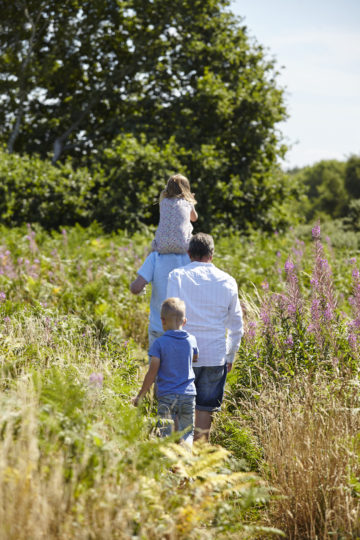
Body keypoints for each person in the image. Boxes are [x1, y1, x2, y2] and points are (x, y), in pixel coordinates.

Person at [167, 233, 243, 442]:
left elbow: (171, 315)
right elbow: (237, 325)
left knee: (179, 412)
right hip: (214, 356)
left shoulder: (177, 276)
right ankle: (200, 467)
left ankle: (179, 465)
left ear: (189, 253)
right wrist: (229, 356)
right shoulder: (228, 281)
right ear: (212, 254)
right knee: (204, 414)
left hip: (183, 355)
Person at [132, 297, 198, 445]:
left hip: (167, 395)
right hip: (188, 395)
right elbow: (195, 357)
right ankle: (185, 463)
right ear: (184, 321)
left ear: (163, 321)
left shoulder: (159, 343)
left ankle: (166, 465)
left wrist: (141, 396)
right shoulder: (191, 340)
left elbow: (152, 372)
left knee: (165, 433)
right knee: (187, 433)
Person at [130, 250, 190, 347]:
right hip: (184, 328)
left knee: (156, 361)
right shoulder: (191, 256)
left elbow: (136, 288)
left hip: (159, 326)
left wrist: (132, 285)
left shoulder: (155, 256)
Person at [151, 174, 198, 254]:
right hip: (183, 246)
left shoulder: (163, 202)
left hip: (161, 246)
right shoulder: (187, 202)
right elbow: (194, 218)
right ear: (187, 189)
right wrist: (192, 200)